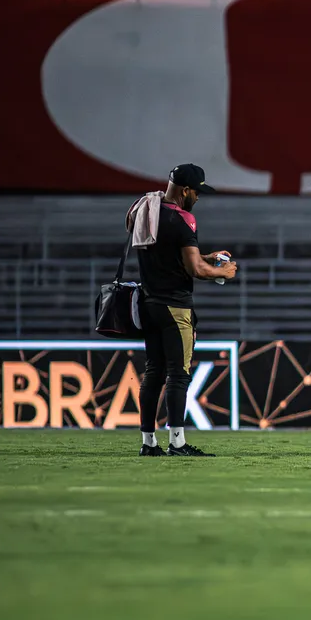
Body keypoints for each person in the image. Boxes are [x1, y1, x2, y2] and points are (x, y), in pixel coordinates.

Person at [133, 164, 236, 457]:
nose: (198, 198)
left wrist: (205, 256)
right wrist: (223, 271)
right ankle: (177, 442)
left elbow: (165, 254)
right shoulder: (182, 219)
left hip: (149, 302)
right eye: (196, 192)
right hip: (174, 306)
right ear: (184, 191)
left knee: (153, 372)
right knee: (178, 374)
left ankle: (148, 442)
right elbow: (194, 269)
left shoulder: (146, 209)